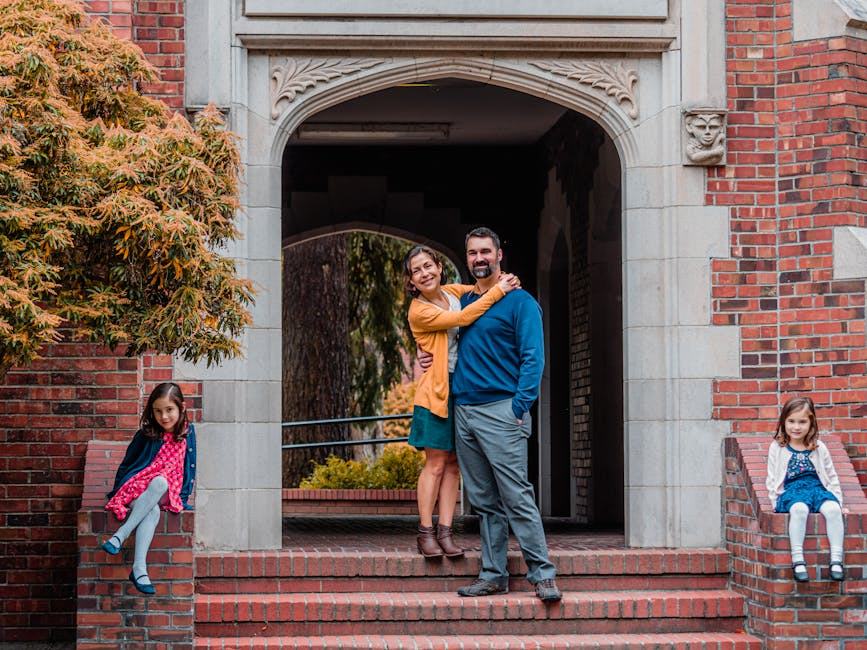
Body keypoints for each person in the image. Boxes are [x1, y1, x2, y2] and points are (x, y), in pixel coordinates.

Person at [429, 226, 561, 602]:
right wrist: (426, 357)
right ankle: (493, 574)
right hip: (464, 410)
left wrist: (520, 407)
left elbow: (533, 359)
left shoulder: (520, 303)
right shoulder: (462, 302)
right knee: (485, 501)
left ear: (499, 255)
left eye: (485, 251)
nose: (479, 258)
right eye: (473, 253)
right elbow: (441, 336)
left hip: (502, 410)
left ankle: (543, 574)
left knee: (516, 495)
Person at [404, 244, 520, 559]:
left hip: (461, 388)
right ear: (411, 281)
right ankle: (425, 532)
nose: (425, 273)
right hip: (435, 394)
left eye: (428, 266)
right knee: (435, 464)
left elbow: (479, 289)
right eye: (417, 270)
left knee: (455, 463)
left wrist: (505, 280)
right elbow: (466, 316)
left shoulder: (452, 292)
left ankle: (446, 532)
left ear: (439, 268)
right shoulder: (419, 309)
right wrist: (500, 291)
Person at [100, 382, 196, 595]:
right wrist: (118, 490)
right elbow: (127, 463)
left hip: (167, 491)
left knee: (161, 483)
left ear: (182, 407)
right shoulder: (146, 434)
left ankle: (121, 534)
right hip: (140, 488)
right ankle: (139, 570)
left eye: (169, 410)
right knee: (151, 510)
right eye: (158, 411)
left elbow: (191, 465)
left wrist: (184, 497)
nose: (164, 416)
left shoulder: (188, 433)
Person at [766, 396, 846, 583]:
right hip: (792, 491)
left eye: (802, 422)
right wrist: (775, 501)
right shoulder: (777, 447)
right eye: (791, 421)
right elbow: (771, 478)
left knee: (833, 510)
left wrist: (838, 501)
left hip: (817, 489)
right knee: (799, 509)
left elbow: (831, 476)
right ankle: (798, 560)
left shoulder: (819, 447)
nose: (796, 427)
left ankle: (836, 559)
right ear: (783, 422)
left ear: (811, 423)